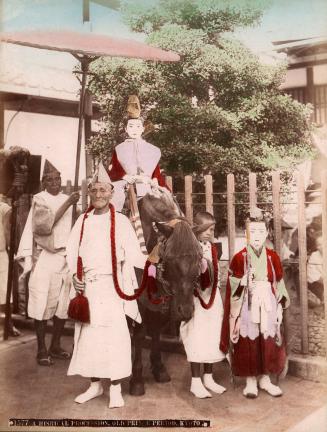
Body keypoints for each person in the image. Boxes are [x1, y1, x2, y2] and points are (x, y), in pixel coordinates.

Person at [66, 163, 147, 409]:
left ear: (112, 193)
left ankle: (115, 387)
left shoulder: (120, 222)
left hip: (112, 288)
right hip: (89, 288)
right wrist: (74, 276)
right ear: (89, 193)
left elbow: (135, 255)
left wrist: (153, 260)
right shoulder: (83, 220)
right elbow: (71, 254)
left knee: (114, 337)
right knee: (89, 337)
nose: (99, 195)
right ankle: (94, 384)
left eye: (103, 190)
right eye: (94, 191)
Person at [220, 207, 290, 398]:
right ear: (247, 233)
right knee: (248, 340)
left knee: (266, 340)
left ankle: (265, 379)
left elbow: (279, 282)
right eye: (253, 231)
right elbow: (232, 283)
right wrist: (243, 281)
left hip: (267, 301)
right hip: (246, 304)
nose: (257, 235)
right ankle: (250, 380)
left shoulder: (272, 256)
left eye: (261, 231)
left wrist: (279, 305)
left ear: (267, 232)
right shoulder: (239, 258)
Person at [16, 160, 79, 366]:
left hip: (65, 257)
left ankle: (56, 345)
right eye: (49, 179)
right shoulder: (40, 199)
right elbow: (45, 226)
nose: (54, 182)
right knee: (41, 302)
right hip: (46, 257)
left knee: (63, 304)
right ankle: (41, 349)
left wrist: (72, 205)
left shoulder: (68, 199)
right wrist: (69, 203)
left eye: (57, 178)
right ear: (43, 183)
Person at [180, 211, 226, 398]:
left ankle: (208, 377)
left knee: (211, 337)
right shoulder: (190, 250)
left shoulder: (213, 248)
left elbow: (216, 274)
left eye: (212, 229)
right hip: (197, 299)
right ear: (197, 230)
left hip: (212, 299)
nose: (209, 233)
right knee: (197, 338)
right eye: (205, 229)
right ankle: (196, 381)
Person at [108, 95, 169, 211]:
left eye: (137, 126)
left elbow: (155, 169)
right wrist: (125, 176)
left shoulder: (152, 149)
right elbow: (113, 168)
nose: (134, 130)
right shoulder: (119, 148)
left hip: (147, 183)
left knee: (167, 201)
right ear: (126, 129)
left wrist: (155, 179)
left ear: (142, 129)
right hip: (126, 184)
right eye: (131, 126)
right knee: (115, 201)